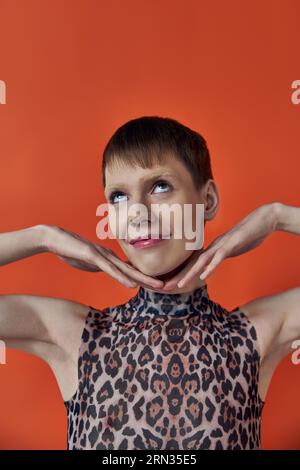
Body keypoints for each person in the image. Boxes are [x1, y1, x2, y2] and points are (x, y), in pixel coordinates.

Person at [0, 116, 299, 450]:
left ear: (208, 200)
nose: (136, 213)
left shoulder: (253, 335)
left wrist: (278, 216)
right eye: (118, 197)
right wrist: (42, 237)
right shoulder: (76, 335)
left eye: (160, 187)